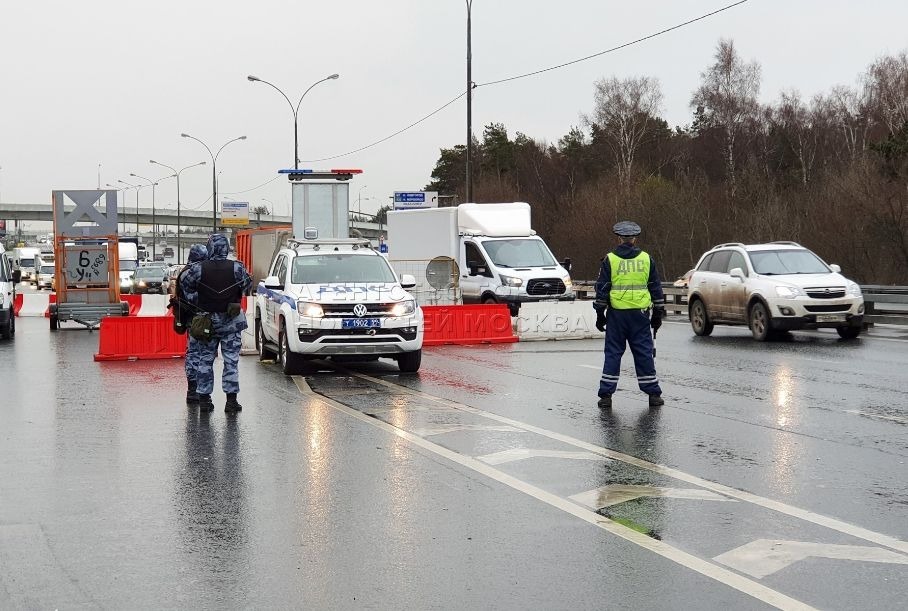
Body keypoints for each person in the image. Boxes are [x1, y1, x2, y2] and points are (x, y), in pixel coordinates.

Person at [593, 221, 666, 409]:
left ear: (619, 238)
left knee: (613, 353)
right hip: (640, 314)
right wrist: (658, 312)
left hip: (617, 314)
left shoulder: (610, 259)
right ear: (635, 239)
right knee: (644, 353)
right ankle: (653, 393)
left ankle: (606, 395)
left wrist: (600, 314)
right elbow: (655, 287)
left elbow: (602, 288)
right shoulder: (647, 259)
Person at [180, 234, 252, 413]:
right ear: (226, 248)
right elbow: (247, 286)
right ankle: (231, 402)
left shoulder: (198, 269)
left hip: (207, 323)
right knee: (231, 362)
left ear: (210, 247)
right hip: (231, 323)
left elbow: (185, 286)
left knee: (205, 360)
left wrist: (202, 296)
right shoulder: (237, 267)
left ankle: (204, 400)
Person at [169, 244, 208, 404]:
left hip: (191, 317)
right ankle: (193, 390)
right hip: (195, 318)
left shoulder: (185, 271)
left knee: (194, 353)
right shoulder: (191, 273)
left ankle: (194, 389)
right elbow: (195, 299)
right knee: (196, 354)